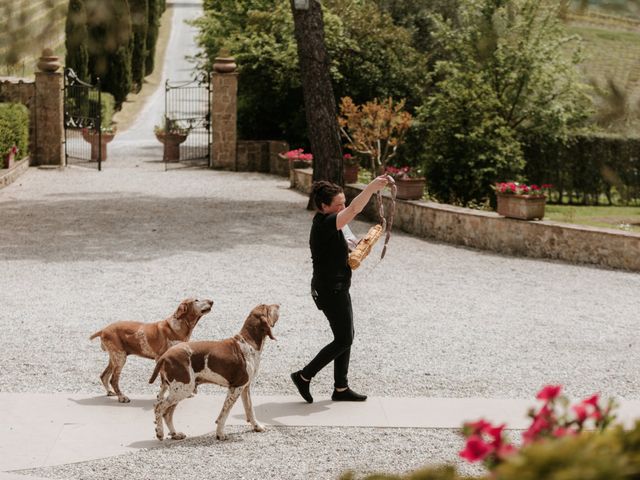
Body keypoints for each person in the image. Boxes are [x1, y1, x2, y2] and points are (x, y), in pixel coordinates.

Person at [291, 175, 389, 403]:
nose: (343, 208)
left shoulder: (331, 224)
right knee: (344, 339)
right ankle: (304, 376)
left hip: (336, 288)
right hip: (329, 290)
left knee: (346, 336)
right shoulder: (325, 222)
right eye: (338, 205)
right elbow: (355, 208)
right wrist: (373, 187)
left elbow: (341, 244)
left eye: (343, 203)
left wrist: (355, 246)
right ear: (324, 207)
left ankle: (341, 388)